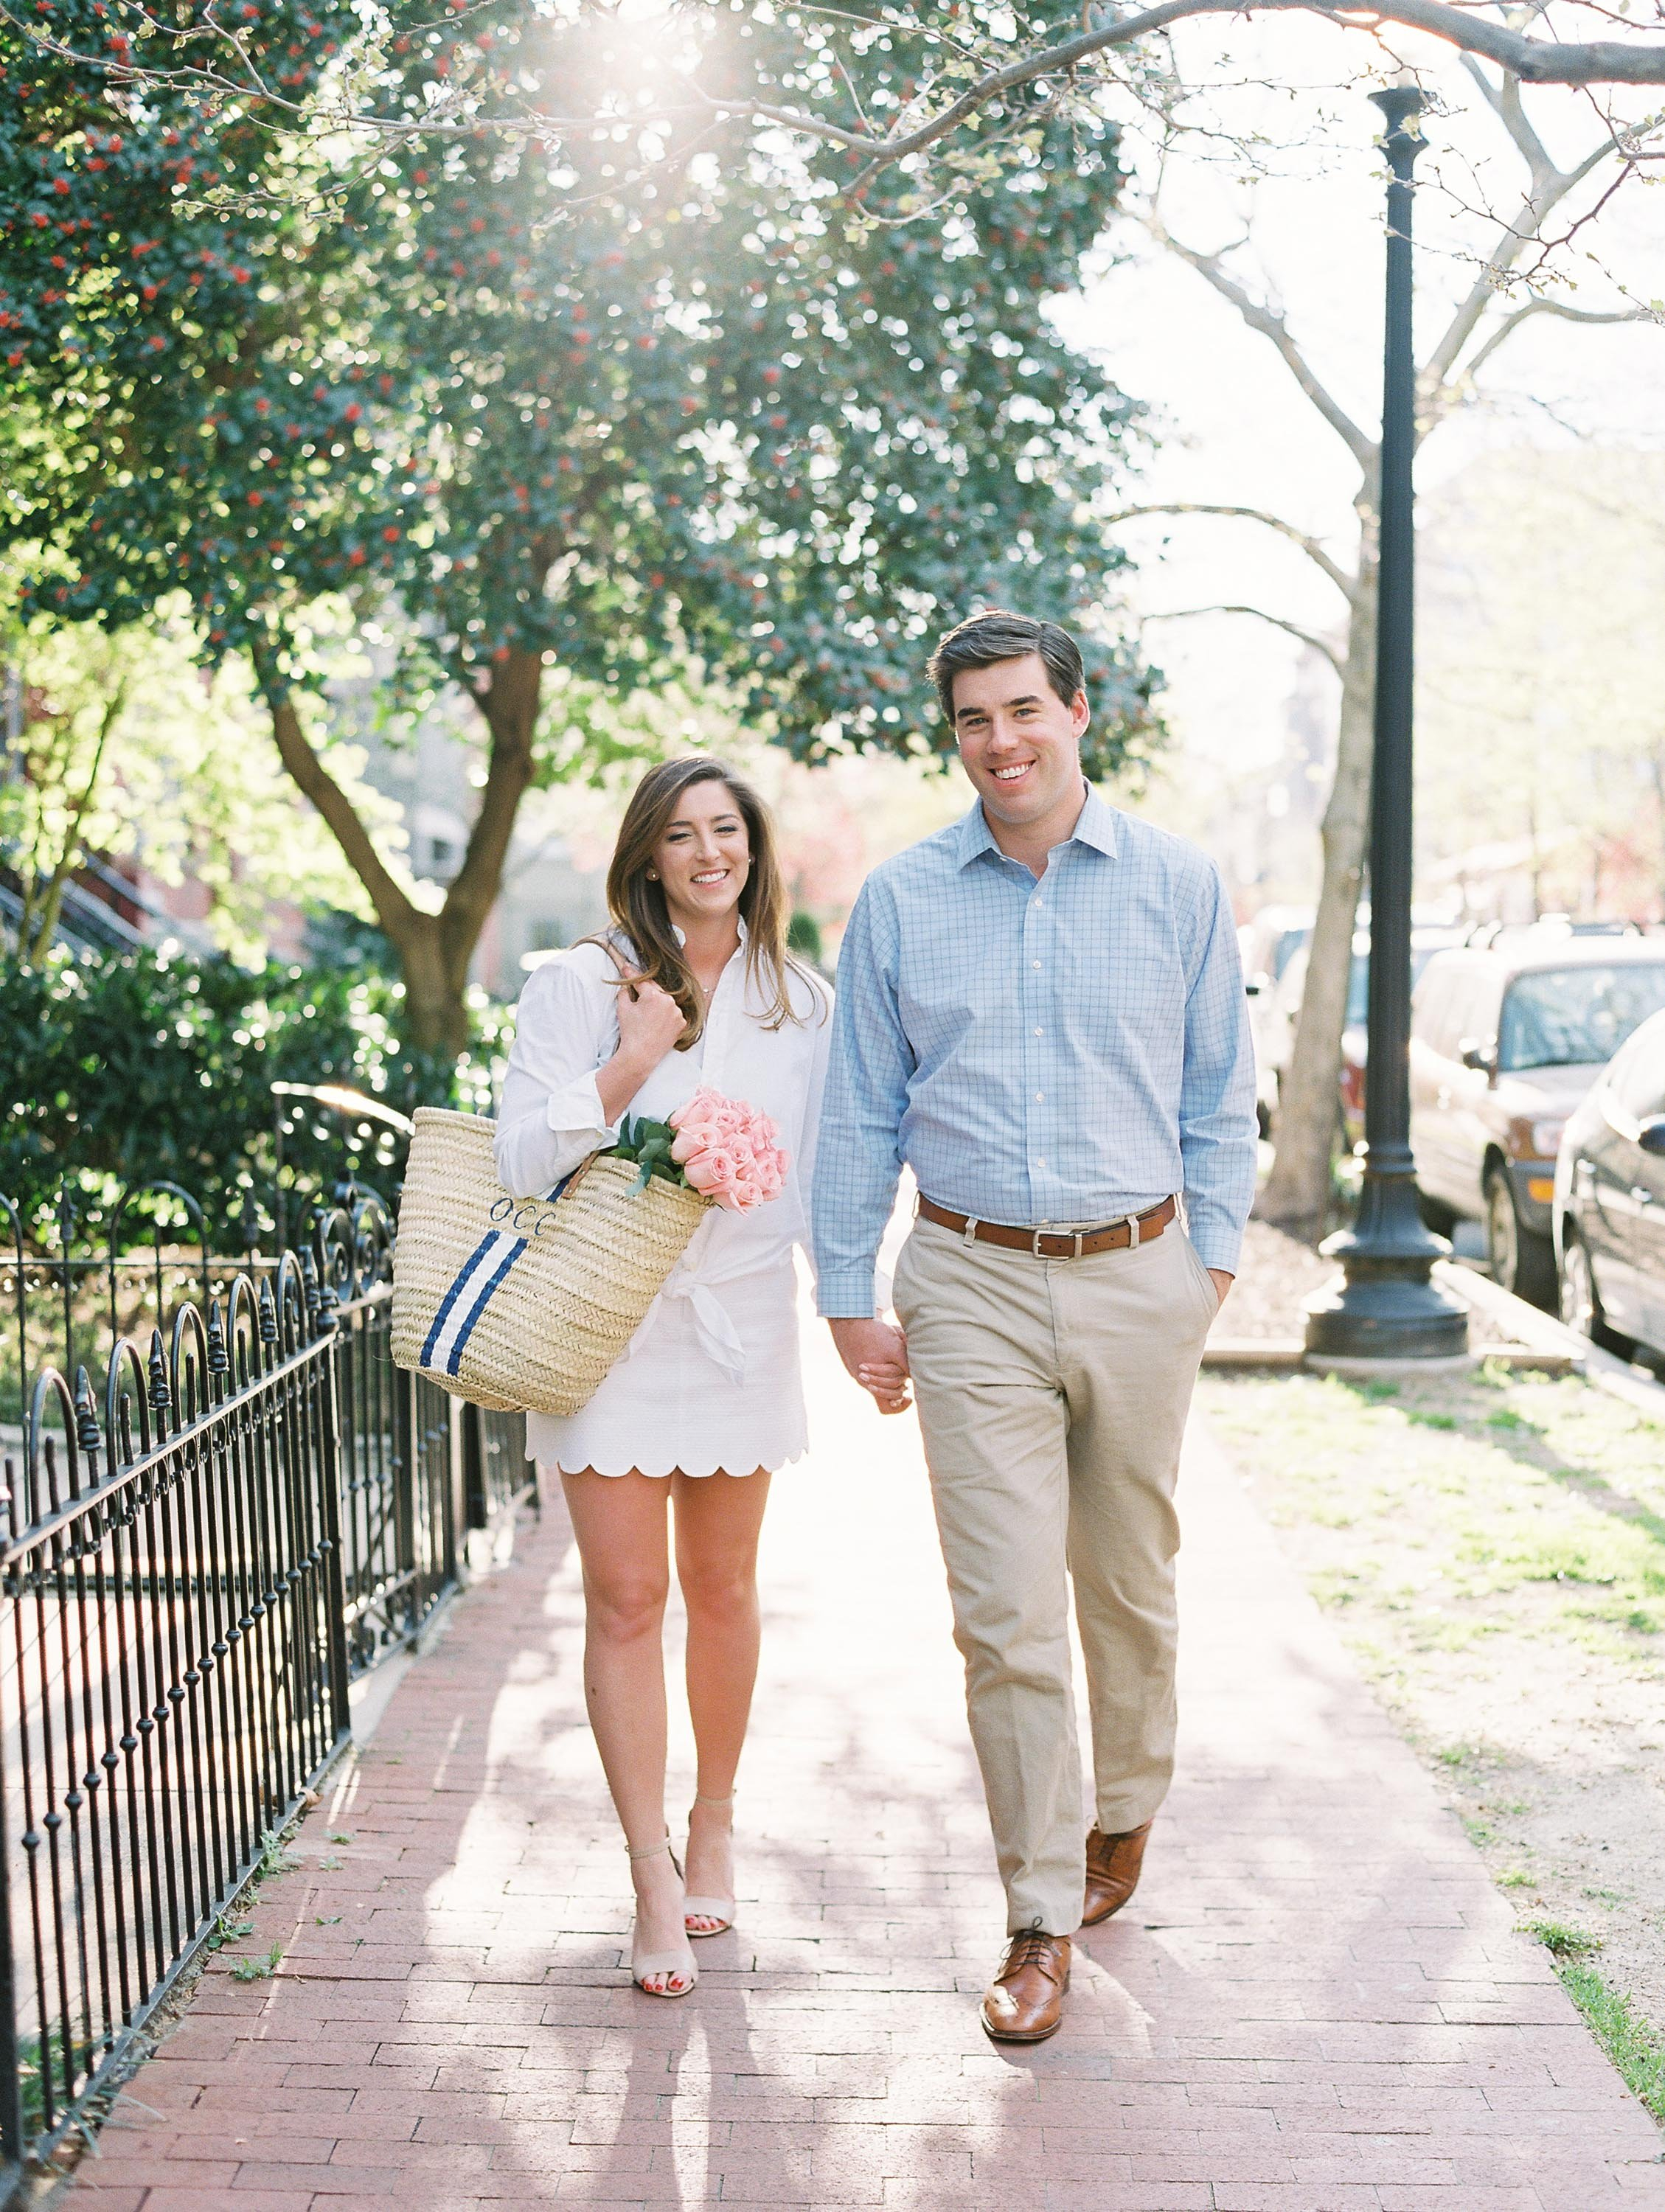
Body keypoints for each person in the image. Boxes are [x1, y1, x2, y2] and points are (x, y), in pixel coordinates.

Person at [813, 610, 1257, 2044]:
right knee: (1003, 1615)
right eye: (970, 721)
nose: (998, 742)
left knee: (1127, 1584)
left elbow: (1216, 1098)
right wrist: (844, 1292)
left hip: (1142, 1273)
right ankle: (1036, 1916)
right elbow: (860, 1111)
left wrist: (1213, 1270)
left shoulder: (1178, 885)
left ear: (1078, 712)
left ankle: (1123, 1808)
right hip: (968, 1279)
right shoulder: (899, 900)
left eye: (1021, 710)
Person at [494, 759, 877, 2000]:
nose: (707, 853)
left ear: (753, 850)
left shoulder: (800, 1003)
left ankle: (715, 1819)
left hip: (737, 1328)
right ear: (645, 855)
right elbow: (516, 1159)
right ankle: (650, 1873)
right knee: (622, 1601)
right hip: (605, 1327)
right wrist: (631, 1058)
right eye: (680, 834)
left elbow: (825, 1174)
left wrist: (853, 1313)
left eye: (727, 831)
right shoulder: (575, 983)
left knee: (722, 1588)